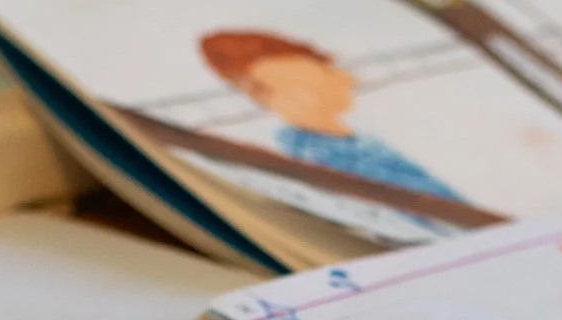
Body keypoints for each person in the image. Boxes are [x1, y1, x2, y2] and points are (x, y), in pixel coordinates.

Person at [197, 30, 465, 201]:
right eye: (324, 75)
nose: (348, 78)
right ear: (266, 94)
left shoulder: (352, 144)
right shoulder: (326, 158)